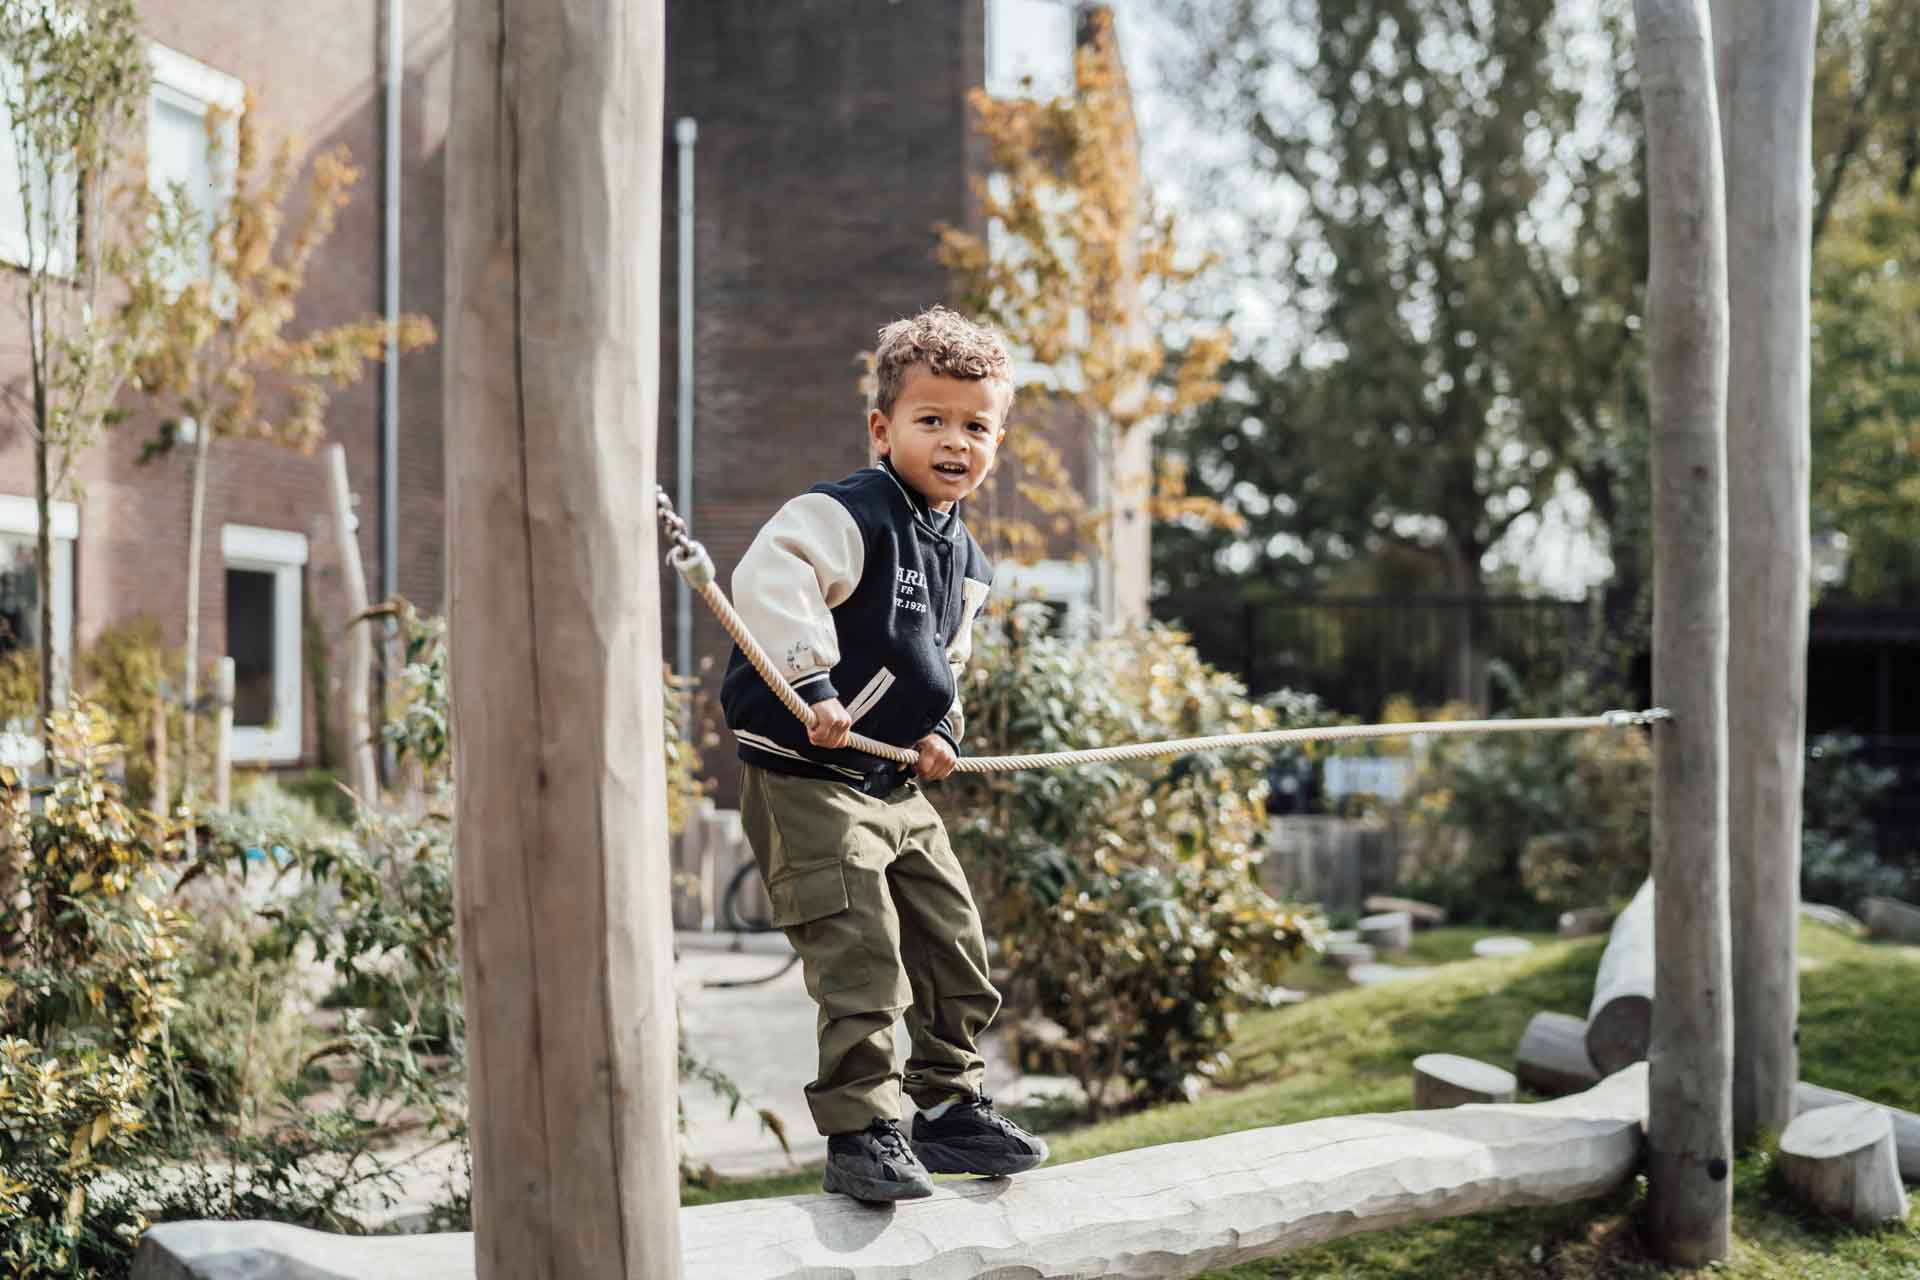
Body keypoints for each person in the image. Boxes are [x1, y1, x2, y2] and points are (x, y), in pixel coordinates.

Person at [720, 305, 1049, 1202]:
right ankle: (863, 1126)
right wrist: (811, 687)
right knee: (861, 948)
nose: (955, 441)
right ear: (882, 428)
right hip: (810, 776)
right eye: (931, 420)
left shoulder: (966, 557)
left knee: (952, 936)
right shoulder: (843, 513)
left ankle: (949, 1108)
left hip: (892, 779)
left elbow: (952, 659)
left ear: (997, 440)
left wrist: (943, 732)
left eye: (975, 426)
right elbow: (773, 582)